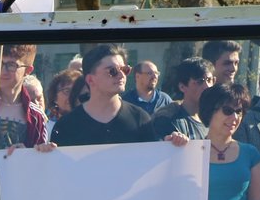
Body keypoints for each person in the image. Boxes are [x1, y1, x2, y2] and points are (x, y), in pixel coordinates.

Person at [50, 45, 187, 148]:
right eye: (112, 71)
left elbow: (151, 166)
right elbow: (56, 172)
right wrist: (43, 152)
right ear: (91, 80)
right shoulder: (67, 125)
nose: (121, 75)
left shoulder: (140, 119)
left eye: (125, 70)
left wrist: (170, 146)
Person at [200, 83, 260, 200]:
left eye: (239, 111)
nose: (235, 117)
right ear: (209, 111)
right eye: (228, 110)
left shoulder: (250, 153)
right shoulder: (188, 151)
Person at [0, 45, 48, 150]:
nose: (3, 70)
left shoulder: (36, 116)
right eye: (0, 63)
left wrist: (28, 152)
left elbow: (40, 158)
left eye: (12, 65)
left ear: (27, 70)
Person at [152, 58, 214, 142]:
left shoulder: (215, 118)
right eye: (200, 82)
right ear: (182, 87)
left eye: (209, 80)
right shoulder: (167, 120)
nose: (207, 86)